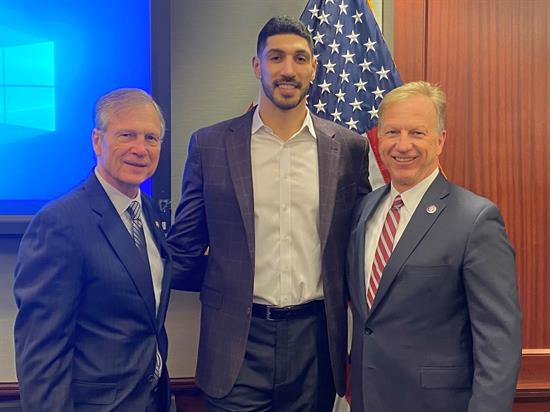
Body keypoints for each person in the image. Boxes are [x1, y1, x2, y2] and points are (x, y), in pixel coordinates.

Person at [167, 15, 370, 412]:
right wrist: (227, 282)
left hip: (316, 343)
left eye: (299, 58)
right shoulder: (210, 145)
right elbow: (184, 249)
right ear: (257, 65)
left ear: (314, 68)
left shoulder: (348, 148)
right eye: (276, 57)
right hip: (236, 344)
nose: (288, 69)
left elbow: (359, 243)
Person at [346, 81, 522, 412]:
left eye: (417, 133)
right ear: (378, 138)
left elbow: (499, 342)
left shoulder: (475, 220)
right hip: (367, 400)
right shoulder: (363, 210)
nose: (403, 145)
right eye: (392, 132)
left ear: (440, 140)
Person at [13, 88, 172, 412]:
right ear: (97, 141)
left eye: (151, 138)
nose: (140, 149)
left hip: (149, 401)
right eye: (127, 135)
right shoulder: (59, 223)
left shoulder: (149, 212)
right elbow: (42, 352)